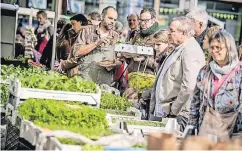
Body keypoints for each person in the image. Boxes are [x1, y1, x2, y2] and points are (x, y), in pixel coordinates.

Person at [149, 17, 206, 130]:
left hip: (177, 116)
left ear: (183, 33)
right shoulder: (179, 47)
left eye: (172, 31)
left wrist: (174, 110)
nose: (168, 33)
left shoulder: (191, 50)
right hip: (164, 112)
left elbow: (189, 87)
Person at [188, 31, 242, 141]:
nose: (214, 51)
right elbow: (195, 103)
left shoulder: (239, 72)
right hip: (206, 131)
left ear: (229, 48)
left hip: (233, 132)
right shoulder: (204, 71)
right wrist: (191, 130)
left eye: (218, 47)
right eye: (212, 47)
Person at [59, 6, 119, 86]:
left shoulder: (115, 36)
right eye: (110, 18)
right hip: (85, 79)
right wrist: (96, 43)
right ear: (102, 16)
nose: (112, 22)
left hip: (104, 81)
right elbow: (77, 51)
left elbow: (120, 59)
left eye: (114, 20)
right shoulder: (87, 31)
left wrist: (114, 64)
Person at [129, 8, 163, 74]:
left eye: (146, 21)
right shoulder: (137, 34)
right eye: (141, 20)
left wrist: (145, 60)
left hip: (147, 79)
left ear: (153, 20)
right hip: (132, 76)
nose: (142, 23)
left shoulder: (159, 37)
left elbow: (160, 64)